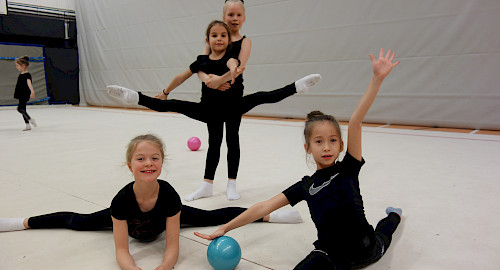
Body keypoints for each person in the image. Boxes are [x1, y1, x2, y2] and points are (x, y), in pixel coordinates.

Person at [194, 49, 403, 269]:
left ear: (342, 146)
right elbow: (264, 207)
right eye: (319, 142)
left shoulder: (348, 168)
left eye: (333, 141)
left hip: (366, 249)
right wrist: (225, 228)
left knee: (386, 230)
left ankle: (395, 216)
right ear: (308, 147)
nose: (326, 147)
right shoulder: (306, 186)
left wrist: (376, 79)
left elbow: (355, 122)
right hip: (330, 253)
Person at [0, 134, 303, 270]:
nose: (148, 163)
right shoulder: (121, 200)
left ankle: (270, 216)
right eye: (140, 158)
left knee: (214, 216)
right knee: (77, 221)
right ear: (129, 165)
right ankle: (20, 222)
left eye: (154, 158)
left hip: (163, 219)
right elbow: (121, 248)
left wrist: (166, 266)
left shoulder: (169, 194)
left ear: (162, 163)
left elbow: (172, 245)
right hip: (128, 223)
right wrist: (131, 268)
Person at [107, 20, 321, 202]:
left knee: (259, 102)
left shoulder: (231, 56)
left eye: (223, 36)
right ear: (207, 40)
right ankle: (133, 96)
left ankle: (297, 87)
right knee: (178, 110)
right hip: (209, 110)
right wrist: (165, 91)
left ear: (229, 40)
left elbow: (234, 70)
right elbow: (182, 76)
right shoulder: (202, 61)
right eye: (214, 35)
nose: (219, 39)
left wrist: (219, 80)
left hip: (233, 107)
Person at [197, 0, 251, 92]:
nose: (235, 18)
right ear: (223, 18)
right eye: (231, 15)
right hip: (210, 93)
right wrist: (210, 81)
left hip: (232, 93)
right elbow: (199, 68)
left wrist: (219, 80)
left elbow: (238, 69)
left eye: (239, 15)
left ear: (244, 18)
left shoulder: (245, 42)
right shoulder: (212, 40)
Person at [13, 55, 37, 131]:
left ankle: (30, 119)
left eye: (17, 65)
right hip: (21, 93)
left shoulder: (27, 75)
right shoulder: (21, 74)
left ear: (23, 65)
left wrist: (32, 91)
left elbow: (29, 83)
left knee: (20, 108)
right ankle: (27, 125)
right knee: (23, 109)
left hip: (24, 93)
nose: (16, 67)